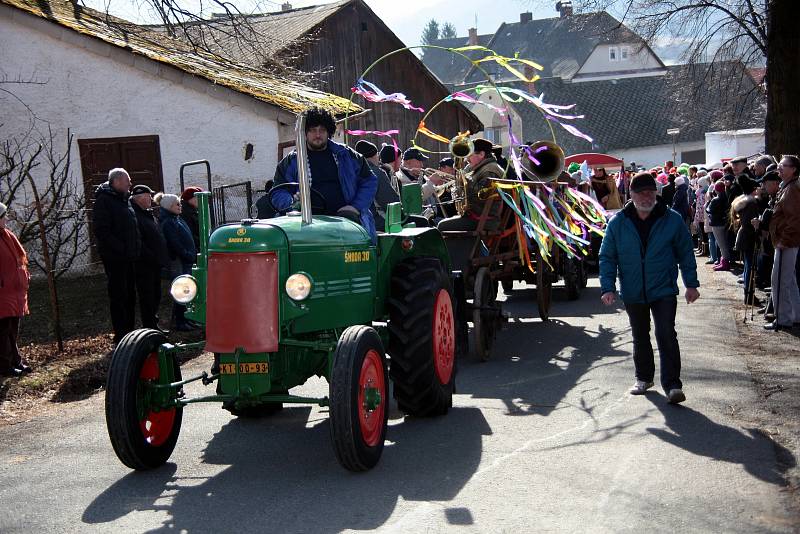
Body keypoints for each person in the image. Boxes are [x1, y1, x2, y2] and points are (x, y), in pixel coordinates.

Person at [599, 172, 699, 404]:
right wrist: (607, 287)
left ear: (656, 193)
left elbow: (686, 253)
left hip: (663, 287)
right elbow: (607, 256)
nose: (646, 197)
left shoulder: (671, 219)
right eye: (641, 193)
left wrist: (691, 284)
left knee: (666, 334)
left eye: (650, 192)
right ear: (631, 195)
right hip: (633, 290)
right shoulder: (618, 222)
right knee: (639, 335)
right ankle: (644, 378)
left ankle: (673, 385)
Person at [272, 107, 377, 239]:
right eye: (313, 130)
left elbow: (369, 181)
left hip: (346, 223)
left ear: (329, 132)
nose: (317, 135)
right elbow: (277, 191)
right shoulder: (291, 162)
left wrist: (355, 207)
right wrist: (291, 202)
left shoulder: (347, 155)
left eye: (322, 130)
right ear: (305, 133)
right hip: (305, 225)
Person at [92, 168, 140, 345]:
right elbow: (102, 231)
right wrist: (122, 249)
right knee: (119, 295)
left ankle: (130, 331)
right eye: (127, 180)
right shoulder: (104, 201)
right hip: (116, 258)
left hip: (129, 258)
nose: (130, 184)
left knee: (130, 295)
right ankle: (121, 333)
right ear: (117, 181)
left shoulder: (123, 200)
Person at [437, 138, 503, 232]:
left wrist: (465, 182)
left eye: (470, 155)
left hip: (484, 220)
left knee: (441, 226)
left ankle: (463, 247)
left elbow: (482, 197)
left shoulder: (489, 171)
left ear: (481, 154)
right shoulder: (481, 168)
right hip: (478, 217)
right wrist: (458, 186)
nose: (467, 159)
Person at [765, 155, 800, 331]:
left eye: (783, 165)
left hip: (787, 242)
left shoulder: (792, 189)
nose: (779, 168)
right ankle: (795, 315)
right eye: (779, 165)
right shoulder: (786, 187)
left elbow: (794, 219)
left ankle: (783, 319)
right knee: (790, 279)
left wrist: (784, 241)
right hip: (785, 240)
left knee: (779, 281)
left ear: (793, 169)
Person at [130, 185, 170, 332]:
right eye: (148, 196)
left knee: (155, 295)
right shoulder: (134, 215)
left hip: (154, 264)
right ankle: (149, 327)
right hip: (144, 265)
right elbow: (139, 241)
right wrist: (152, 257)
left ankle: (154, 323)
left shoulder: (147, 213)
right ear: (140, 197)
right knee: (147, 297)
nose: (151, 199)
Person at [0, 202, 32, 377]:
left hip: (14, 291)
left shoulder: (7, 235)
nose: (5, 219)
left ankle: (15, 361)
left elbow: (19, 258)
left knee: (12, 329)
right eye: (2, 216)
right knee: (3, 331)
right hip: (3, 292)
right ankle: (4, 365)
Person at [159, 194, 197, 332]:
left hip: (185, 260)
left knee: (187, 289)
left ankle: (186, 319)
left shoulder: (177, 219)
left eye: (180, 203)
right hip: (178, 261)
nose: (180, 206)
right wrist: (186, 254)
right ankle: (180, 321)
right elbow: (174, 243)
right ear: (169, 206)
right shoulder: (169, 222)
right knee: (181, 290)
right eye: (177, 204)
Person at [354, 140, 399, 232]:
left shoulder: (351, 171)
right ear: (374, 156)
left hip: (354, 221)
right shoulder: (376, 173)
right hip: (374, 222)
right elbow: (390, 202)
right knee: (420, 222)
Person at [731, 176, 761, 304]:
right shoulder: (751, 203)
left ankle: (748, 294)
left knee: (748, 266)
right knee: (750, 267)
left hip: (744, 235)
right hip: (749, 236)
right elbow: (750, 223)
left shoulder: (743, 201)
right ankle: (749, 295)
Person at [707, 180, 732, 271]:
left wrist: (709, 201)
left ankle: (725, 263)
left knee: (722, 244)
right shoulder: (727, 197)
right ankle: (723, 261)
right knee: (723, 243)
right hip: (724, 222)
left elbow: (709, 210)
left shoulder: (716, 199)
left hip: (716, 223)